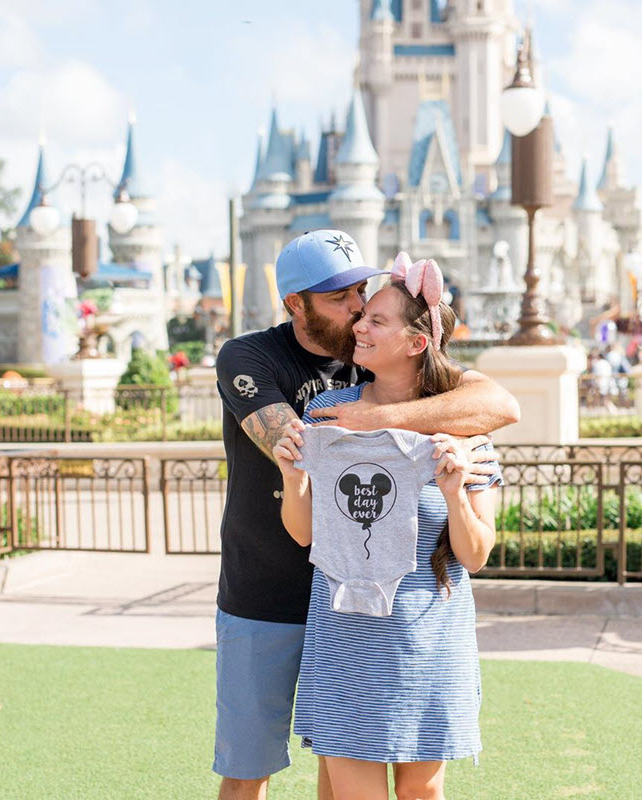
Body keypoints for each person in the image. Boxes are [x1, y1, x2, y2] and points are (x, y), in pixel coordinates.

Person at [212, 230, 520, 800]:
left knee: (347, 785)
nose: (355, 310)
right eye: (339, 299)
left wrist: (374, 419)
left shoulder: (365, 376)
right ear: (294, 305)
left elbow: (500, 405)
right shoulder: (250, 357)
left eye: (362, 294)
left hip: (377, 614)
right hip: (271, 595)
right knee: (248, 768)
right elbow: (297, 445)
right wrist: (369, 421)